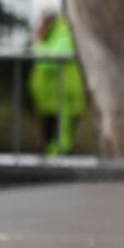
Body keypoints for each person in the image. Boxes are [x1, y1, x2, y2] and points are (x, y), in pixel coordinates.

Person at [28, 11, 86, 155]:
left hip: (62, 98)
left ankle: (58, 167)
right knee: (50, 137)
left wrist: (38, 45)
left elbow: (49, 64)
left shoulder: (63, 34)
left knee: (60, 138)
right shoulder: (54, 35)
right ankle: (53, 165)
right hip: (50, 99)